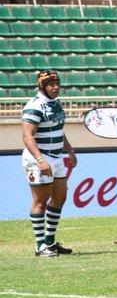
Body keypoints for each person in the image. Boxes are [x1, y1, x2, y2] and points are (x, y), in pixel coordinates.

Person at [21, 70, 77, 257]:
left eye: (57, 83)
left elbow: (59, 130)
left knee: (60, 197)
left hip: (56, 157)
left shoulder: (55, 103)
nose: (56, 87)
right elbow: (27, 137)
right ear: (42, 86)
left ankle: (50, 242)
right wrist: (40, 160)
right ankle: (40, 246)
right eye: (51, 84)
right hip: (39, 158)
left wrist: (69, 150)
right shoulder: (34, 106)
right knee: (41, 201)